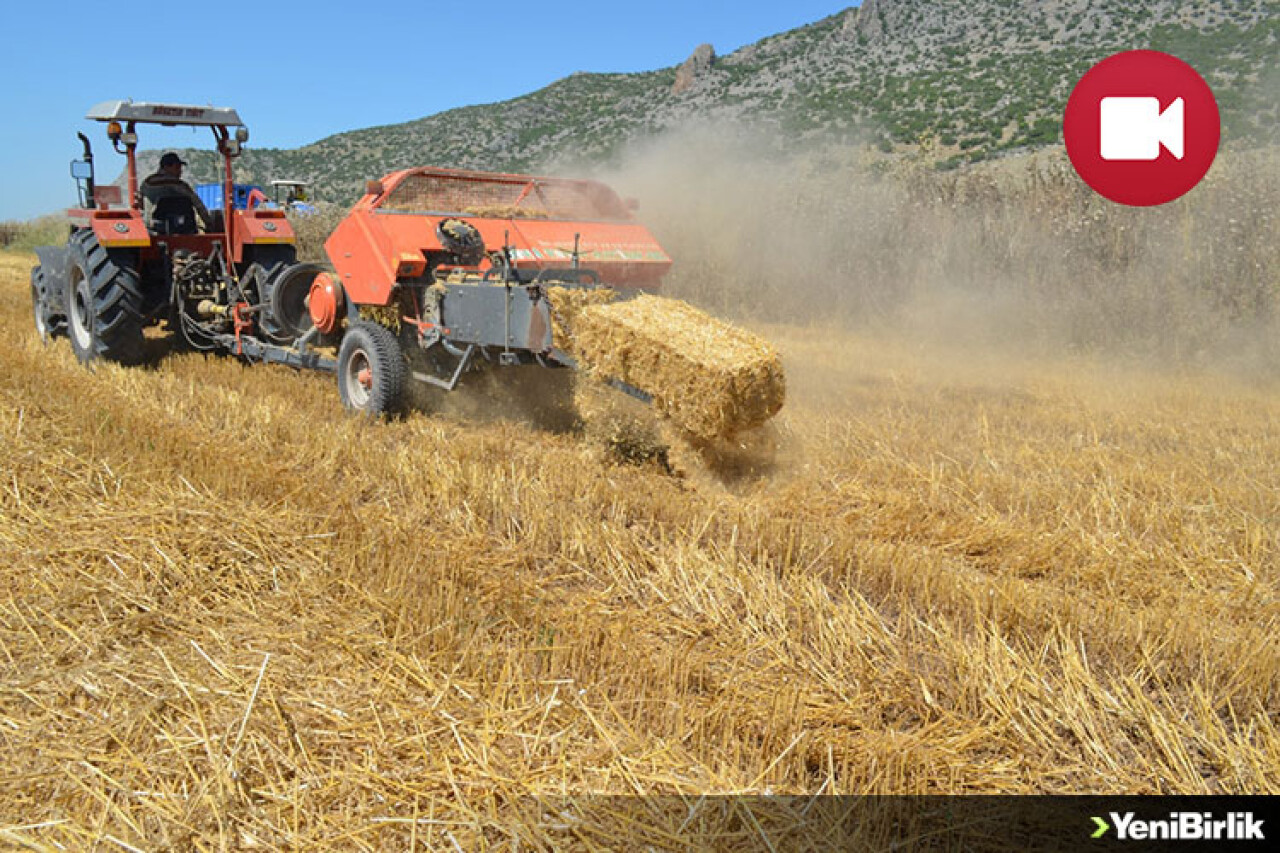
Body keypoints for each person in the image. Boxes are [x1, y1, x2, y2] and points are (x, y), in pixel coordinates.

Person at [139, 152, 213, 233]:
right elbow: (198, 204)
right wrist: (209, 224)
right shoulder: (178, 184)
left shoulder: (146, 183)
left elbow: (140, 205)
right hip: (183, 230)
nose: (180, 171)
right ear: (166, 167)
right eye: (177, 167)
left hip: (151, 229)